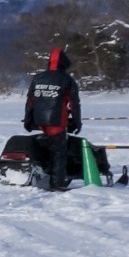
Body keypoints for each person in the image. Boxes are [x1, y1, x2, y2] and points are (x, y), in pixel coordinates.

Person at [23, 47, 82, 191]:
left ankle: (46, 175)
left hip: (39, 120)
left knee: (47, 147)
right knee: (59, 152)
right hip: (57, 121)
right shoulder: (67, 80)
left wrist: (27, 119)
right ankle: (57, 183)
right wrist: (76, 121)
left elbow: (30, 100)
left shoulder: (38, 77)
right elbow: (74, 104)